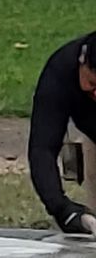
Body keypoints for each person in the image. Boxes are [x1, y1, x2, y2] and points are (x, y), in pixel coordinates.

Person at [25, 34, 96, 238]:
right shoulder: (60, 72)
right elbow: (42, 149)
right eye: (92, 83)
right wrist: (62, 209)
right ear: (82, 61)